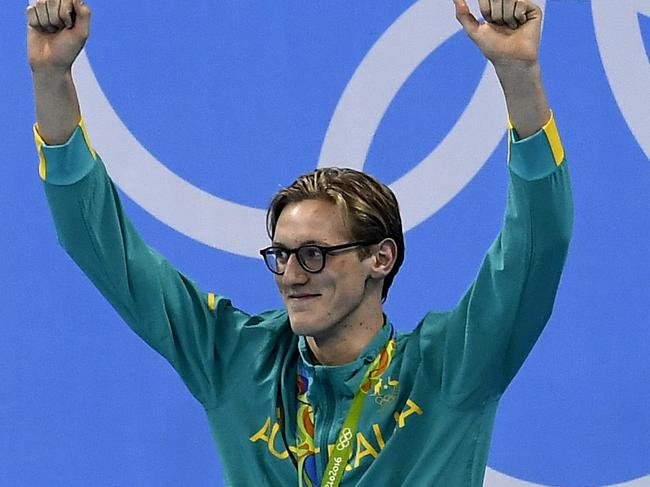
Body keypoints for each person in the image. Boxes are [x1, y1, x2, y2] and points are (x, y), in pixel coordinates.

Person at [27, 0, 573, 485]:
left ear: (379, 258)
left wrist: (518, 74)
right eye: (281, 255)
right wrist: (52, 76)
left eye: (314, 254)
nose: (291, 274)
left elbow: (536, 244)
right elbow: (100, 245)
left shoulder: (451, 369)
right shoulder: (234, 360)